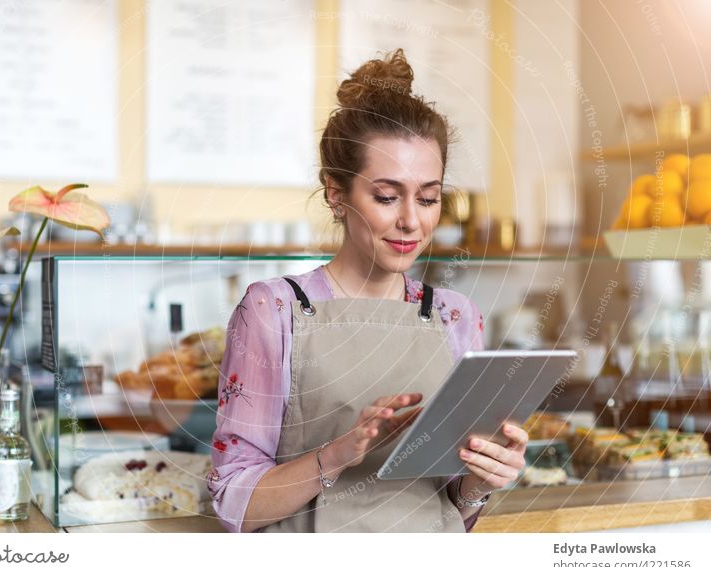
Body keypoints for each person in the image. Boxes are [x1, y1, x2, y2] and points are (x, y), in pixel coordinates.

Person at [206, 48, 528, 533]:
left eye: (428, 198)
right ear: (336, 194)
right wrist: (338, 455)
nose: (411, 221)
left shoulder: (457, 317)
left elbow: (449, 507)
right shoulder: (273, 310)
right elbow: (234, 501)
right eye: (385, 196)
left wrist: (480, 481)